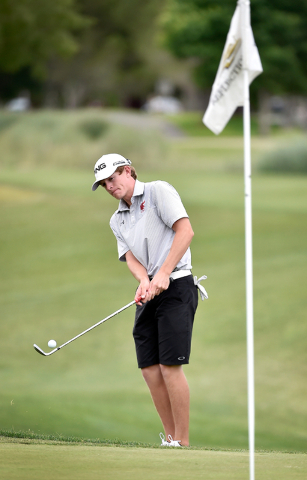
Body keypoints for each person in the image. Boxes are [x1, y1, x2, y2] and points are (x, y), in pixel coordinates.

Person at [92, 153, 207, 447]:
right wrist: (144, 280)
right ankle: (169, 438)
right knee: (149, 367)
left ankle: (182, 441)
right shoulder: (116, 219)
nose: (109, 186)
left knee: (170, 365)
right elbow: (130, 258)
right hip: (150, 291)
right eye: (104, 183)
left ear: (128, 171)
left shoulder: (158, 191)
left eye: (112, 178)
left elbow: (186, 231)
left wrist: (165, 272)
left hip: (177, 284)